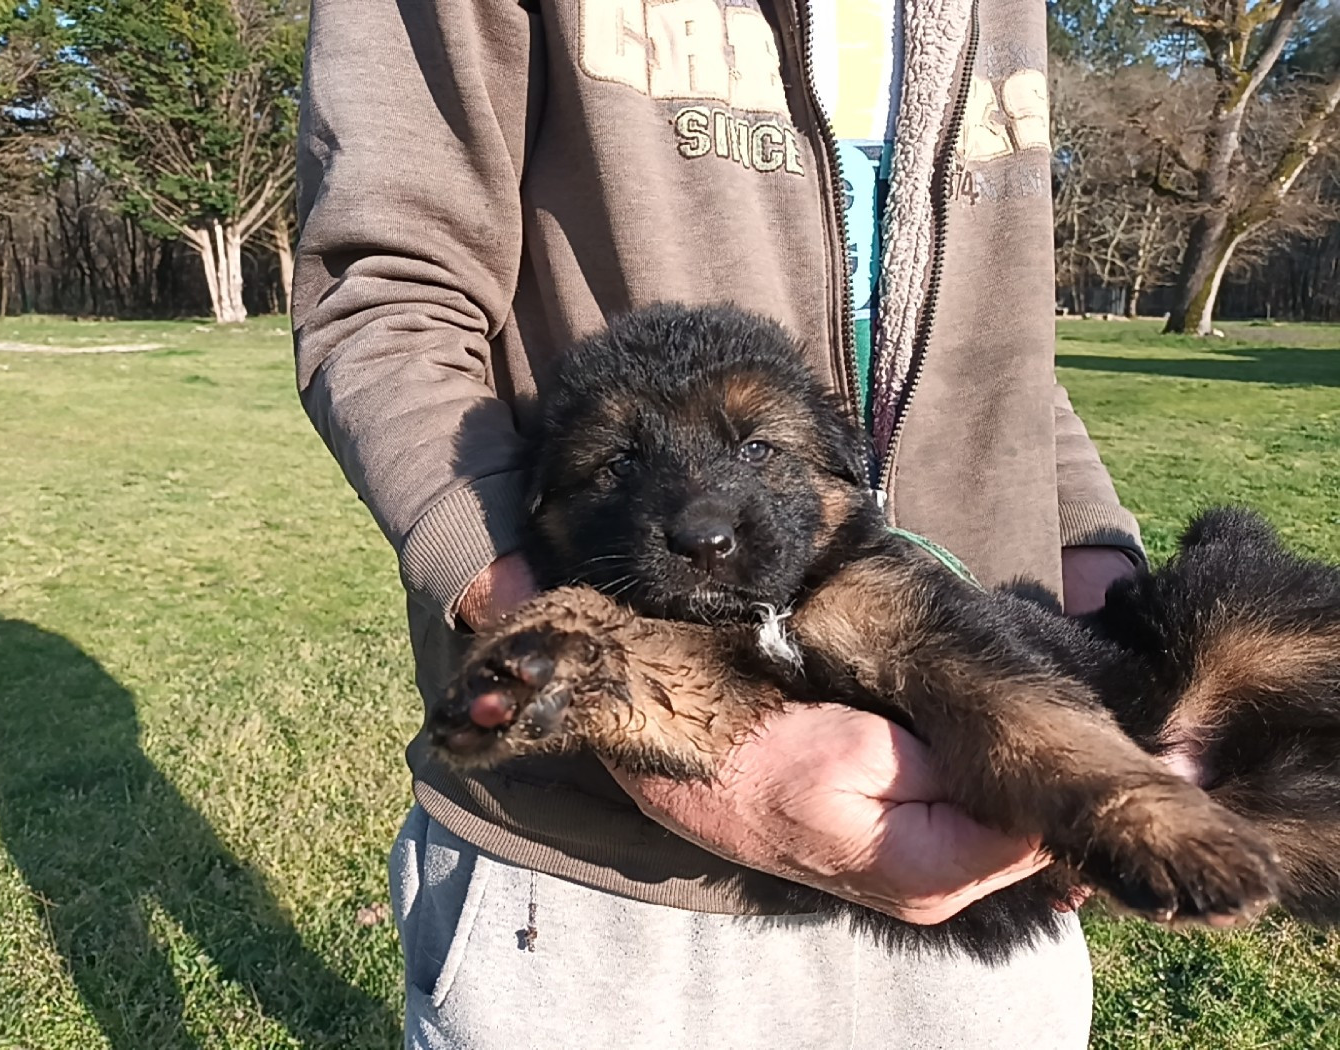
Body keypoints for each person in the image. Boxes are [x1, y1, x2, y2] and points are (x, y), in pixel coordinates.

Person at [293, 1, 1145, 1046]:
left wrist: (1112, 609)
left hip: (989, 834)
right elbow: (386, 292)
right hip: (614, 874)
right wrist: (642, 721)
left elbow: (1004, 354)